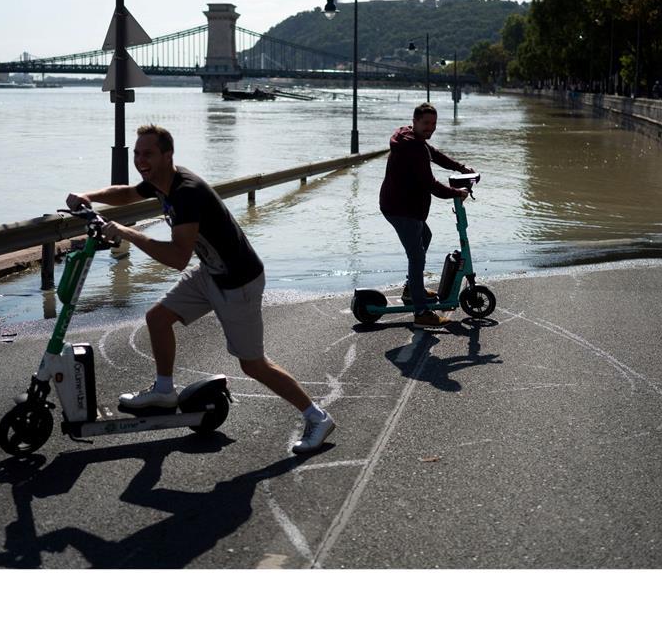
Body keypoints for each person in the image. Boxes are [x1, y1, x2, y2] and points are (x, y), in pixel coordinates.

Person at [66, 124, 335, 455]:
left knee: (253, 365)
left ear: (168, 155)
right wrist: (88, 196)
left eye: (147, 154)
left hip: (239, 282)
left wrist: (129, 234)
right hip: (211, 272)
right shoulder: (161, 182)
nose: (140, 160)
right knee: (158, 318)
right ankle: (165, 391)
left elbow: (178, 258)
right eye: (136, 154)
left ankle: (317, 416)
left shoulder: (186, 192)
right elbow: (127, 193)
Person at [379, 102, 475, 328]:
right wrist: (456, 193)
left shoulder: (412, 139)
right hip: (403, 209)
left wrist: (460, 168)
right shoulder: (413, 148)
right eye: (426, 123)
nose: (430, 128)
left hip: (402, 205)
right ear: (415, 122)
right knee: (417, 256)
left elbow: (435, 155)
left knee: (425, 238)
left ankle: (412, 290)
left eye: (433, 124)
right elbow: (429, 184)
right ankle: (421, 312)